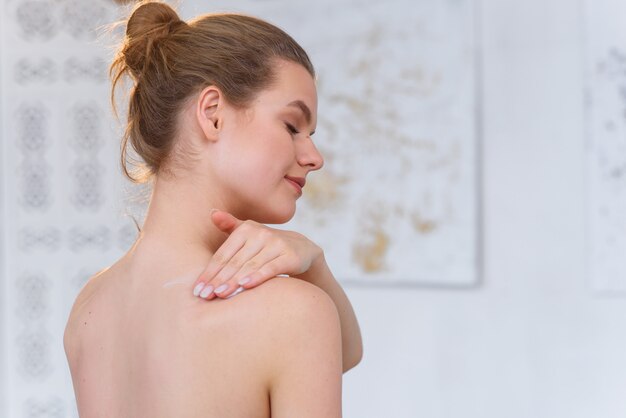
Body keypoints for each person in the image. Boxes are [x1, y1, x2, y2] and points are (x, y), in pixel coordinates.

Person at [63, 1, 363, 417]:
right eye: (292, 126)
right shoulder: (293, 315)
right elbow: (331, 346)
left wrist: (314, 264)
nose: (314, 157)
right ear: (213, 114)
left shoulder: (90, 308)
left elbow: (344, 354)